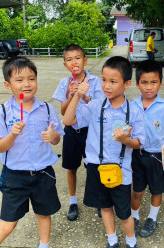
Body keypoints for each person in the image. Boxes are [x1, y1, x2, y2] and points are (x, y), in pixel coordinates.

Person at [0, 57, 64, 248]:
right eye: (19, 79)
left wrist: (53, 136)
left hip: (43, 174)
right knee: (8, 224)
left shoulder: (47, 109)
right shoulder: (2, 112)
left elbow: (56, 140)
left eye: (31, 78)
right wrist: (12, 134)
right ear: (8, 85)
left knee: (44, 213)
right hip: (15, 176)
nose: (27, 84)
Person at [63, 56, 146, 248]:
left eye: (113, 81)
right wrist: (76, 95)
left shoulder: (134, 111)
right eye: (104, 80)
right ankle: (112, 240)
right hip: (96, 168)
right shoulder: (96, 105)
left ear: (127, 84)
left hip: (121, 171)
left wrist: (126, 140)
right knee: (105, 208)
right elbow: (67, 120)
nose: (107, 86)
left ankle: (131, 242)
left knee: (124, 213)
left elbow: (139, 143)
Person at [131, 60, 164, 237]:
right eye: (144, 82)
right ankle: (134, 216)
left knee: (157, 189)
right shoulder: (132, 105)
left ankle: (152, 218)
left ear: (160, 83)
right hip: (136, 154)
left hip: (158, 155)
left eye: (154, 82)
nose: (149, 87)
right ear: (137, 84)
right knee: (137, 190)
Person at [53, 44, 103, 221]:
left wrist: (83, 95)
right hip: (72, 131)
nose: (74, 62)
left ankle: (97, 199)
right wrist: (70, 95)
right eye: (69, 59)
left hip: (91, 132)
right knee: (71, 167)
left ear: (85, 60)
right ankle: (73, 201)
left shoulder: (96, 82)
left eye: (77, 58)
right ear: (65, 64)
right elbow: (63, 112)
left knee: (93, 166)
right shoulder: (64, 83)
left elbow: (98, 109)